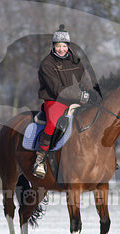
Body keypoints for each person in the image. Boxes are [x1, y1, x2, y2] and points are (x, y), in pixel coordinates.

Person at [33, 25, 100, 178]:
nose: (61, 49)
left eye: (64, 46)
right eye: (58, 46)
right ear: (53, 46)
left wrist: (92, 94)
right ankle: (41, 158)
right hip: (54, 99)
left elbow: (86, 80)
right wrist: (80, 96)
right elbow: (57, 89)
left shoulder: (76, 61)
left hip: (76, 99)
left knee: (96, 117)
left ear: (68, 46)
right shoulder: (47, 64)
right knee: (53, 122)